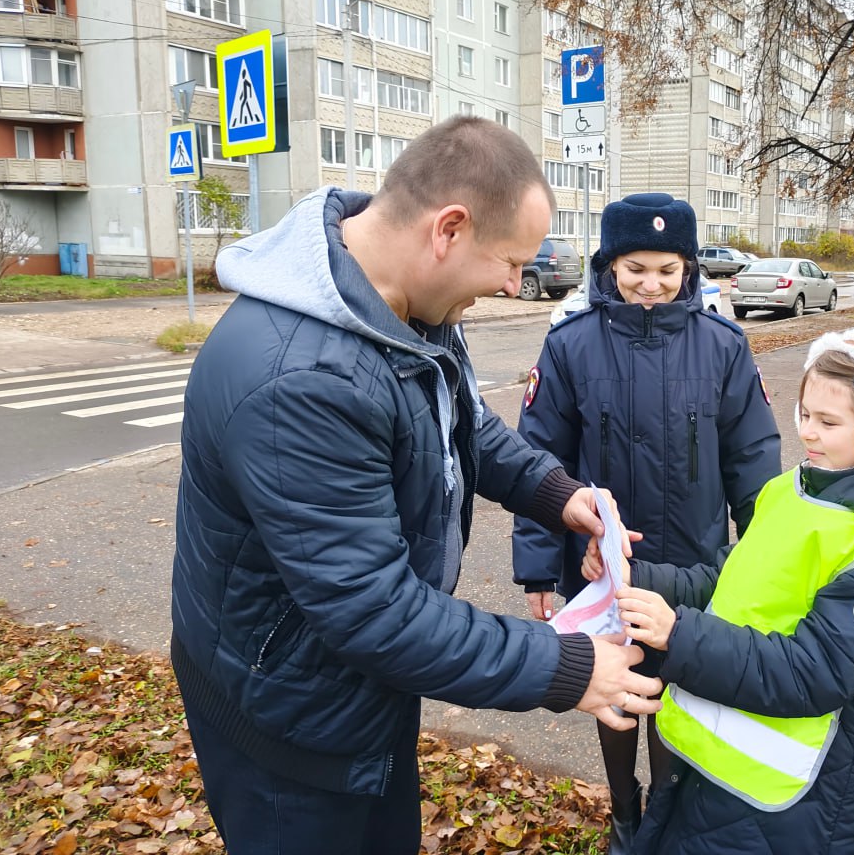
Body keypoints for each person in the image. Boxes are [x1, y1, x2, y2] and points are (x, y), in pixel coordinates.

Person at [170, 117, 662, 855]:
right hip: (286, 723)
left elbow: (463, 423)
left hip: (359, 687)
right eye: (510, 262)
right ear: (449, 230)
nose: (512, 284)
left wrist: (559, 494)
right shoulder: (304, 380)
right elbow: (373, 610)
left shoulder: (404, 305)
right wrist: (565, 666)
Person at [598, 327, 854, 854]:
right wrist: (635, 577)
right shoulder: (793, 491)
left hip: (810, 806)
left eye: (829, 422)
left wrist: (677, 634)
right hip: (725, 778)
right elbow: (731, 577)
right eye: (804, 413)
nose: (808, 432)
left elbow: (810, 671)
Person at [511, 192, 782, 851]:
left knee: (675, 689)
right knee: (613, 689)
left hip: (693, 562)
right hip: (602, 565)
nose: (652, 284)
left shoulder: (722, 346)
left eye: (667, 269)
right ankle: (623, 812)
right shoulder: (571, 345)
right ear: (610, 265)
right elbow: (541, 460)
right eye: (636, 268)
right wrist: (538, 568)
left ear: (688, 269)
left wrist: (766, 559)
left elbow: (753, 459)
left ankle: (663, 814)